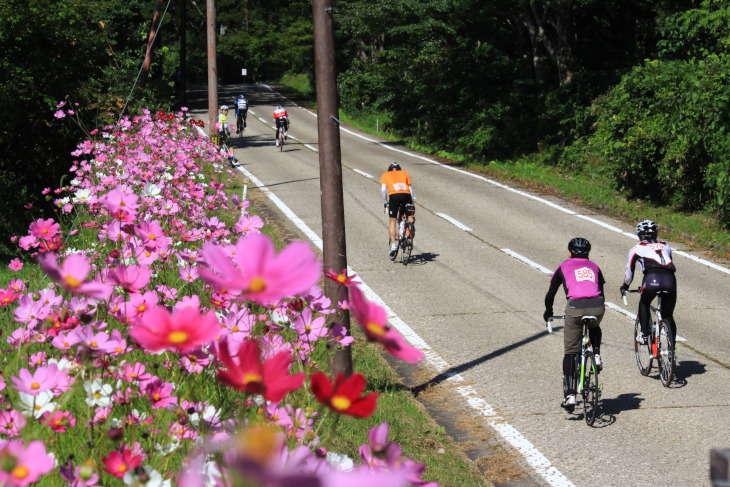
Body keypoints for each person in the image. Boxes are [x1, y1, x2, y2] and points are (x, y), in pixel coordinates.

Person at [543, 238, 605, 410]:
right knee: (594, 325)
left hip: (575, 307)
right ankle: (597, 355)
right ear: (588, 254)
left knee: (570, 352)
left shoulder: (563, 266)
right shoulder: (594, 267)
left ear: (569, 253)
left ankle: (570, 394)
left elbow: (550, 294)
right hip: (597, 306)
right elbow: (602, 292)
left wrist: (548, 312)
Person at [620, 219, 677, 345]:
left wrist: (625, 286)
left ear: (639, 235)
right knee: (668, 315)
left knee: (644, 302)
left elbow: (629, 273)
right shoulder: (666, 245)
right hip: (670, 279)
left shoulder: (636, 249)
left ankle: (645, 335)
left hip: (652, 278)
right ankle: (671, 349)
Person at [380, 162, 415, 259]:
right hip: (406, 195)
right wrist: (412, 203)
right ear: (399, 169)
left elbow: (383, 190)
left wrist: (385, 201)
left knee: (392, 221)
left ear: (390, 169)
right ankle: (411, 228)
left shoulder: (386, 175)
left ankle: (394, 245)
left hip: (394, 196)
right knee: (409, 215)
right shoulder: (405, 173)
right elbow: (411, 190)